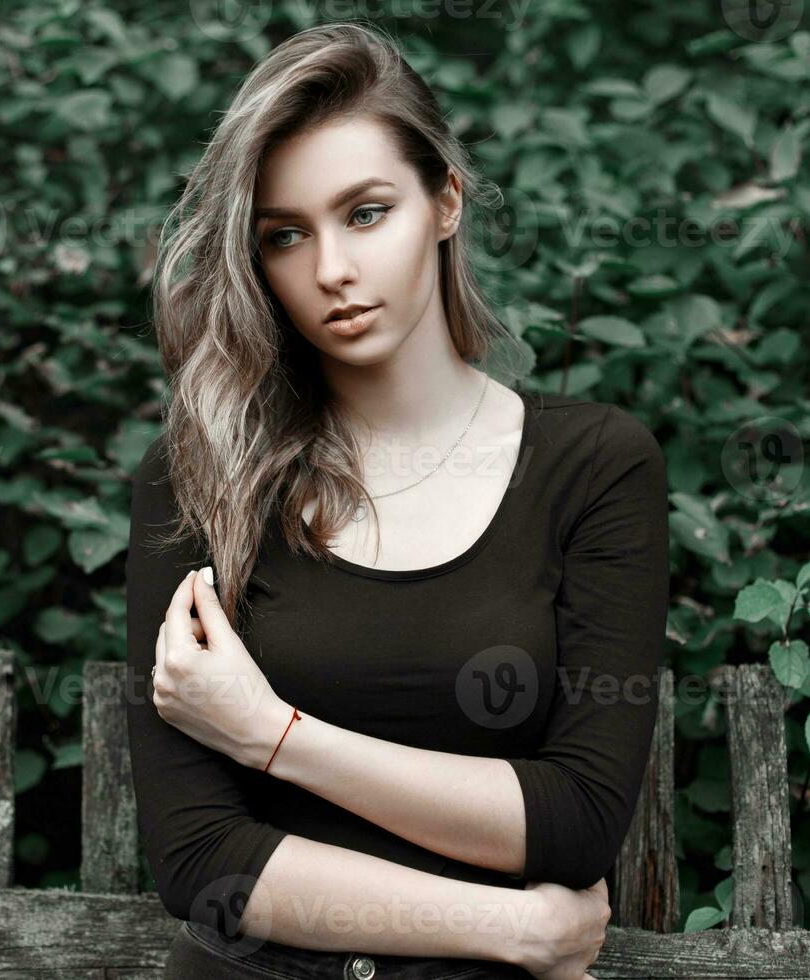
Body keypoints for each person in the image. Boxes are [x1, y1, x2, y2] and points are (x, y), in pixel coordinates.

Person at [124, 22, 669, 980]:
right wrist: (513, 929)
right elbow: (201, 858)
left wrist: (271, 736)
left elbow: (575, 820)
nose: (331, 268)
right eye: (286, 235)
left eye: (366, 213)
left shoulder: (594, 467)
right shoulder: (201, 474)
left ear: (445, 200)